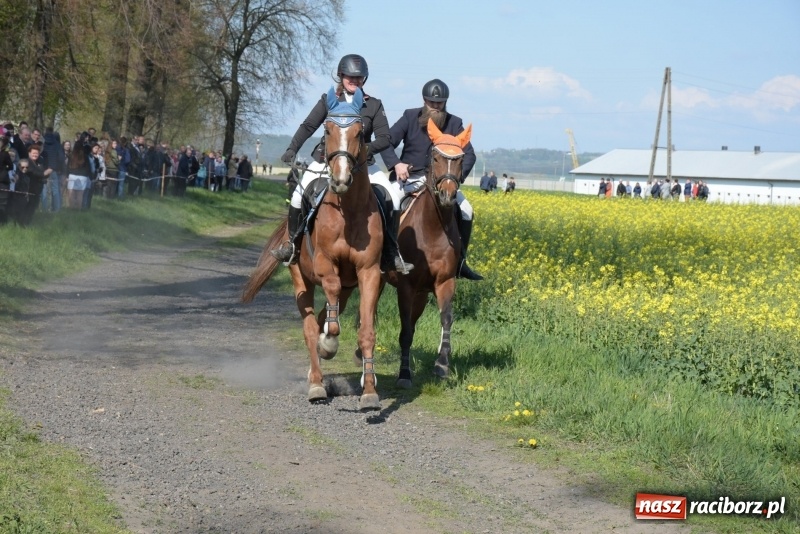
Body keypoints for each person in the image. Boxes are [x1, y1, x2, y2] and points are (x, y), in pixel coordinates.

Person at [273, 53, 412, 274]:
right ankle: (291, 245)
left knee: (393, 197)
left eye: (359, 78)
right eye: (350, 77)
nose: (354, 81)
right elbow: (309, 125)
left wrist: (366, 152)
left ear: (364, 79)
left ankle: (391, 253)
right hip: (326, 161)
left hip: (362, 163)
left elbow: (385, 138)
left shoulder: (373, 105)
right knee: (299, 196)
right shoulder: (328, 100)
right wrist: (292, 148)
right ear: (341, 76)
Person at [380, 78, 483, 280]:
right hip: (408, 178)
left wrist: (455, 178)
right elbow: (386, 142)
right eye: (432, 103)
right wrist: (396, 164)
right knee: (386, 202)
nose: (436, 107)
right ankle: (385, 254)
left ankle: (460, 262)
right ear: (424, 100)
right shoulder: (410, 117)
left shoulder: (454, 123)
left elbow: (469, 155)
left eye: (440, 103)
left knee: (467, 211)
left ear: (445, 102)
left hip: (442, 182)